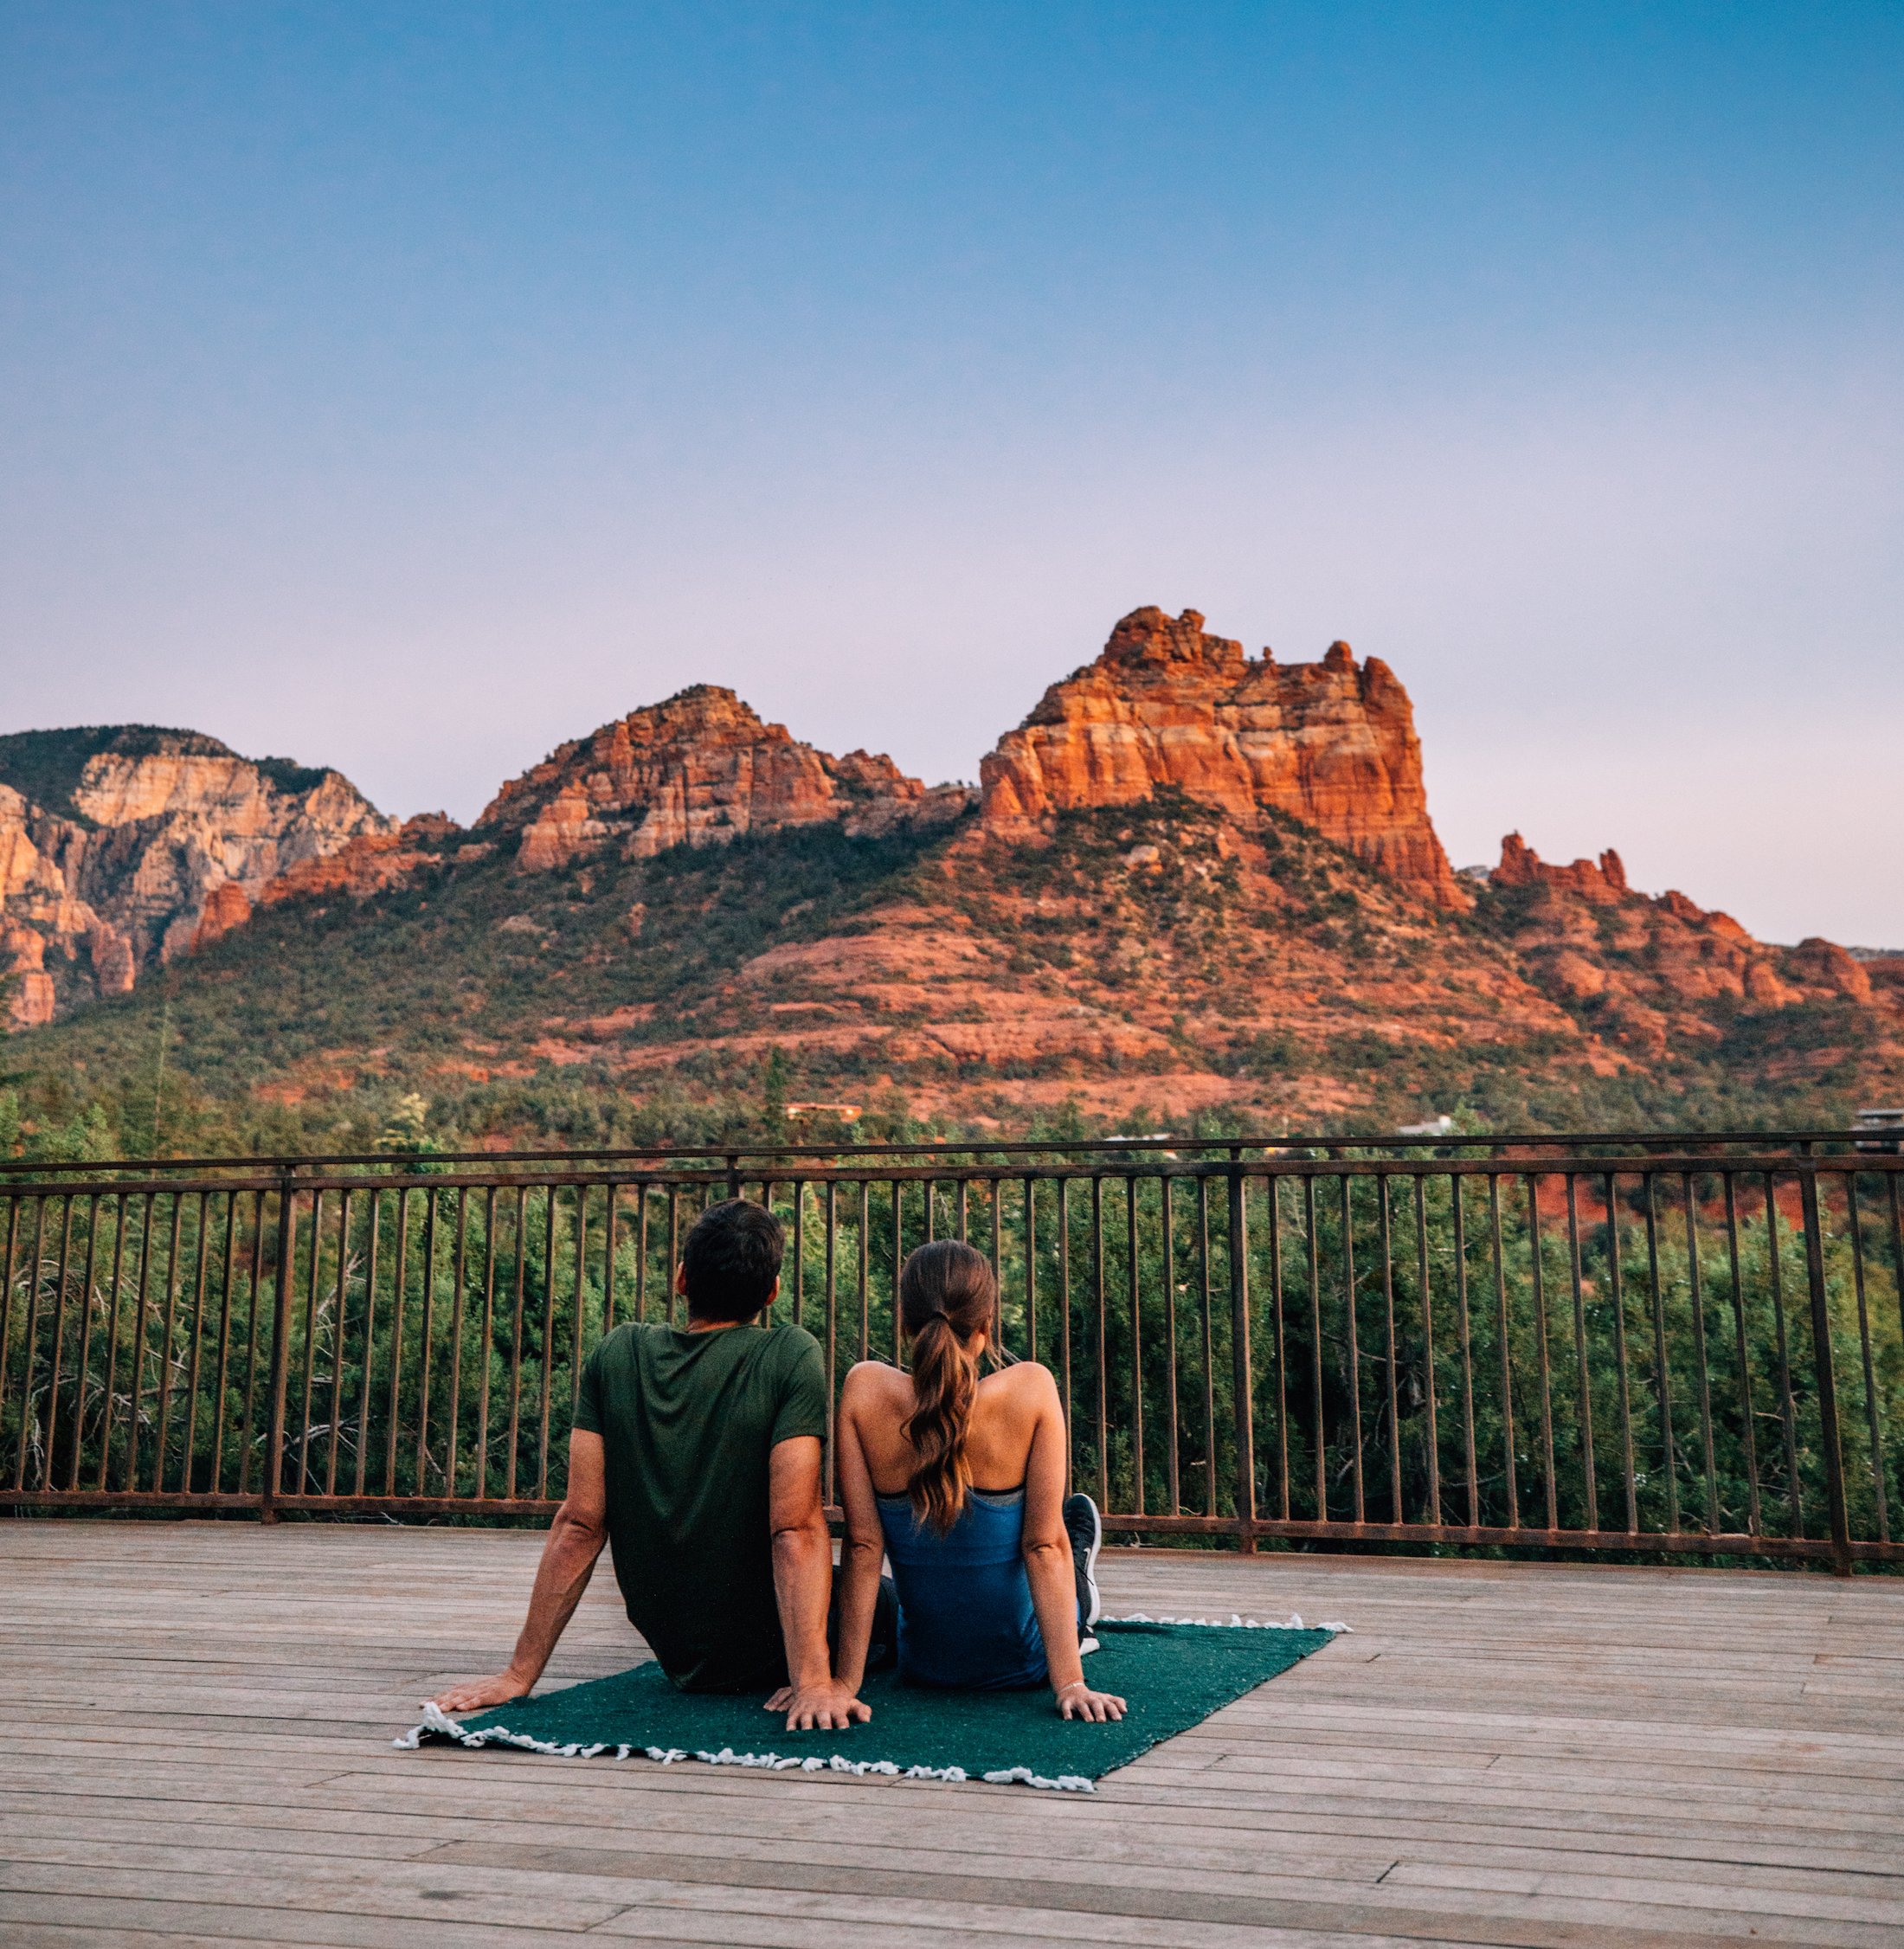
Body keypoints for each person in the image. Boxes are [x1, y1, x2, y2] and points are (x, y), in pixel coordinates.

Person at [428, 1198, 872, 1732]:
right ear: (772, 1292)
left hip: (680, 1657)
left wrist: (518, 1674)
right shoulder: (789, 1354)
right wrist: (815, 1684)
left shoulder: (619, 1353)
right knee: (889, 1604)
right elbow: (795, 1525)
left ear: (682, 1278)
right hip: (766, 1647)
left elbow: (580, 1523)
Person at [831, 1238, 1128, 1721]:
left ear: (906, 1323)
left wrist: (843, 1684)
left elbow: (864, 1546)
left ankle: (1078, 1552)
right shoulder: (1031, 1388)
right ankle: (1081, 1579)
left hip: (924, 1668)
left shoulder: (863, 1391)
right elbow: (1041, 1547)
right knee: (1055, 1537)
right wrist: (1072, 1684)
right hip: (1025, 1666)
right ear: (987, 1327)